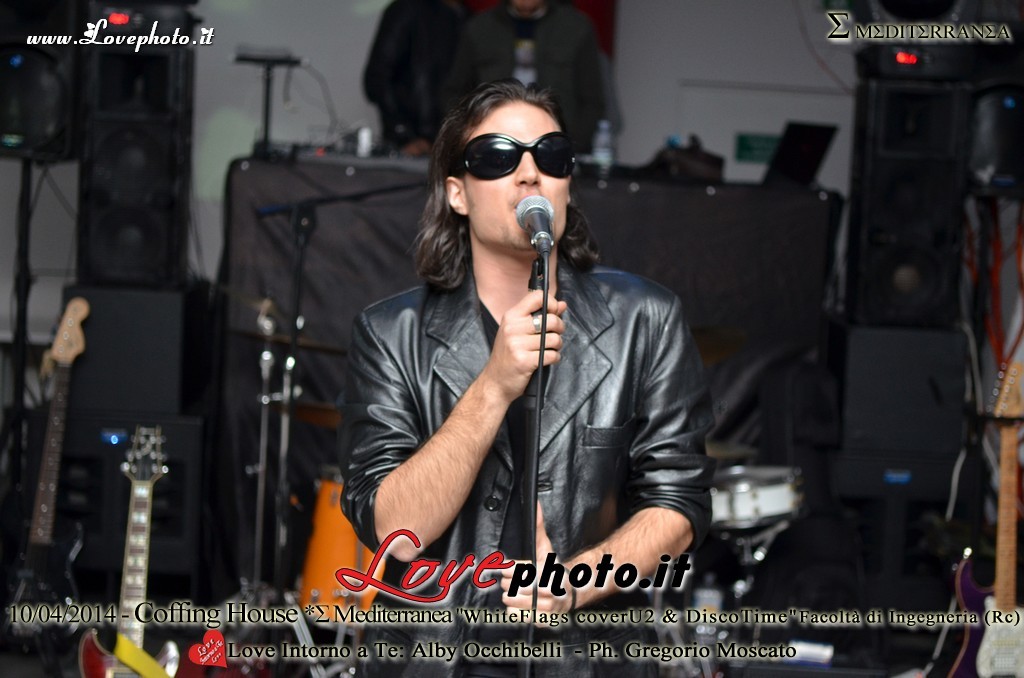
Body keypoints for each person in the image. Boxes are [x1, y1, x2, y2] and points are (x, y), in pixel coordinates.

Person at [338, 79, 713, 677]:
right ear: (457, 194)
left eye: (551, 155)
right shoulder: (390, 335)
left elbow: (678, 502)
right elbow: (396, 533)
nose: (530, 173)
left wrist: (576, 583)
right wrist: (493, 386)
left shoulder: (647, 321)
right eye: (497, 158)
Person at [441, 0, 605, 151]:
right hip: (490, 141)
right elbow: (454, 91)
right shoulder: (479, 27)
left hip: (557, 142)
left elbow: (592, 98)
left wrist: (571, 145)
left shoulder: (575, 27)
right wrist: (469, 137)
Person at [362, 0, 467, 156]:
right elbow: (376, 78)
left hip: (451, 142)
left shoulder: (466, 15)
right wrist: (403, 134)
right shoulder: (408, 9)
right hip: (414, 143)